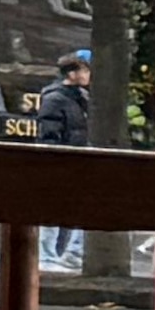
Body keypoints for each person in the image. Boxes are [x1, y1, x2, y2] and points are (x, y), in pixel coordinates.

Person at [31, 49, 93, 273]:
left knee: (79, 208)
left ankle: (73, 253)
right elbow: (49, 133)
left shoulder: (81, 97)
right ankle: (47, 257)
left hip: (78, 159)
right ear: (72, 73)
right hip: (61, 160)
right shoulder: (55, 98)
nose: (88, 75)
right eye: (85, 71)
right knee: (53, 209)